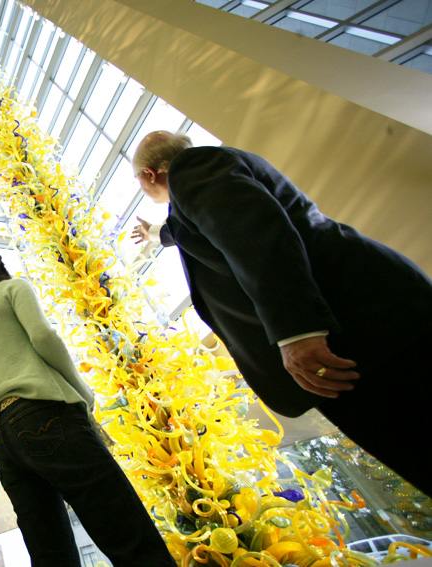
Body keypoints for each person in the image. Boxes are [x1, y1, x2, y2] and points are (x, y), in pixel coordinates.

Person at [130, 130, 432, 495]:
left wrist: (298, 332)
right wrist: (155, 234)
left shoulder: (192, 169)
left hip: (359, 334)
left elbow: (255, 232)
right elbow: (188, 228)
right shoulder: (201, 182)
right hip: (367, 330)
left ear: (149, 174)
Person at [0, 253, 176, 567]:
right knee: (119, 520)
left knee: (50, 550)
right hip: (45, 415)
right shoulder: (13, 289)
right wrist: (83, 393)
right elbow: (43, 336)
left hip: (4, 442)